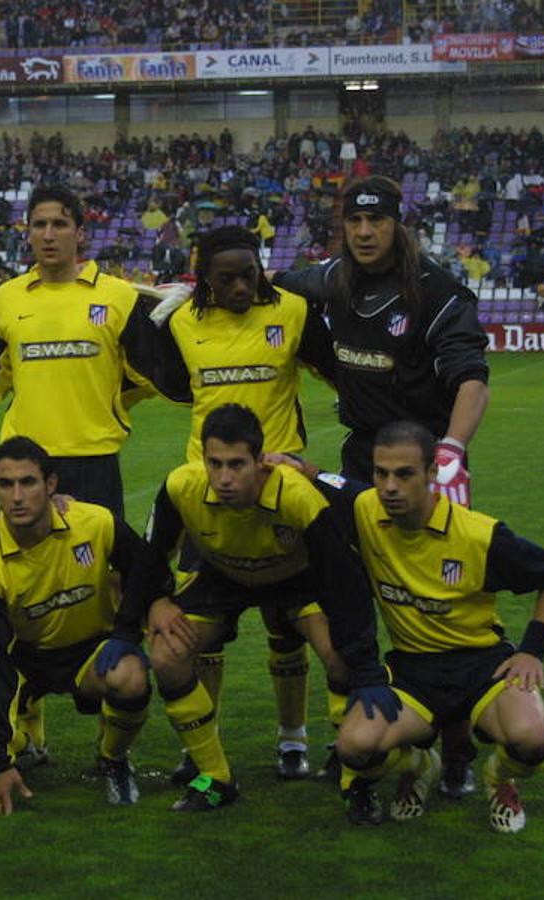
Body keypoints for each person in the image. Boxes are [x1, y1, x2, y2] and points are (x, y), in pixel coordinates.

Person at [273, 174, 490, 796]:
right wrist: (198, 284)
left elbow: (471, 379)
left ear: (398, 224)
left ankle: (456, 751)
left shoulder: (436, 292)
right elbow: (270, 284)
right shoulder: (332, 279)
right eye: (355, 222)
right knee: (348, 598)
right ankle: (361, 731)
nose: (365, 233)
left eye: (378, 222)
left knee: (438, 609)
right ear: (343, 226)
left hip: (426, 464)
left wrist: (451, 451)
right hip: (360, 455)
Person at [294, 421, 544, 832]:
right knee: (354, 748)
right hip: (414, 673)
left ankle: (499, 776)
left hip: (483, 668)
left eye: (404, 474)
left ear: (430, 473)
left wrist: (532, 649)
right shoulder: (365, 508)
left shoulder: (478, 535)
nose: (389, 486)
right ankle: (421, 764)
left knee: (532, 739)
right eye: (381, 473)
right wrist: (288, 464)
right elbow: (322, 480)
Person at [148, 226, 338, 784]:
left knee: (288, 627)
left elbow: (338, 367)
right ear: (203, 277)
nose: (239, 287)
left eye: (248, 275)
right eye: (226, 277)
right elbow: (166, 378)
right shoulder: (181, 321)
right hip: (205, 496)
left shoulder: (294, 312)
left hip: (281, 494)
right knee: (198, 631)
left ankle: (294, 741)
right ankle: (201, 748)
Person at [143, 404, 389, 811]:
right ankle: (215, 778)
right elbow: (151, 557)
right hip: (223, 573)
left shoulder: (298, 495)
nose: (224, 477)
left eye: (237, 464)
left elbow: (344, 582)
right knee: (167, 655)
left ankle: (352, 779)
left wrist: (365, 665)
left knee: (339, 655)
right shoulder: (180, 486)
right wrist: (155, 601)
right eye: (214, 463)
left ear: (261, 461)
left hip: (296, 578)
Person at [0, 437, 178, 815]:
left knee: (131, 676)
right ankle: (20, 747)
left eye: (28, 482)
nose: (17, 496)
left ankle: (112, 757)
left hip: (90, 651)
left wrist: (134, 623)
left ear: (51, 485)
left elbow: (144, 566)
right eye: (5, 485)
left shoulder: (93, 522)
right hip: (23, 659)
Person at [0, 185, 167, 517]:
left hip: (94, 456)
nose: (49, 235)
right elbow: (1, 375)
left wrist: (107, 402)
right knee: (24, 565)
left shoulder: (117, 296)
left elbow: (147, 374)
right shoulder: (6, 298)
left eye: (60, 225)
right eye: (39, 225)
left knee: (100, 565)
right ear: (28, 233)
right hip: (24, 461)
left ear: (80, 233)